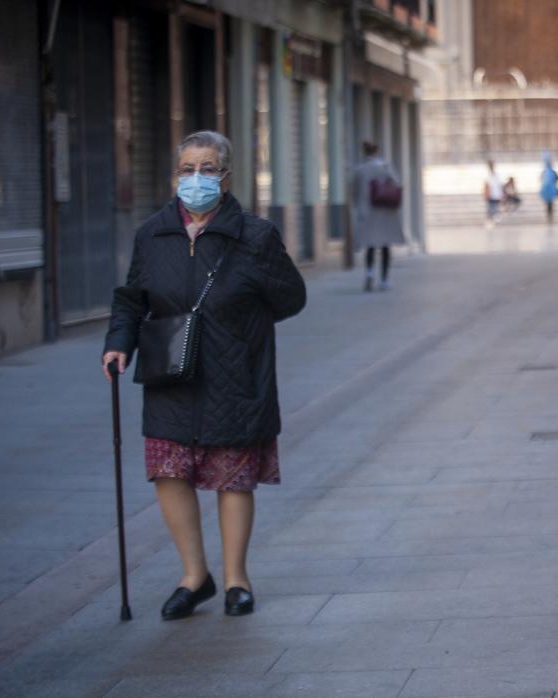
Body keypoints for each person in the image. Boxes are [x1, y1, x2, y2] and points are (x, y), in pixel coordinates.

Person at [101, 130, 306, 621]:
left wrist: (243, 325)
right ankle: (195, 577)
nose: (197, 178)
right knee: (169, 471)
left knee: (232, 477)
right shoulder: (153, 233)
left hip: (235, 370)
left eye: (208, 168)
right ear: (176, 174)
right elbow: (133, 298)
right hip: (170, 370)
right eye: (188, 168)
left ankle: (236, 578)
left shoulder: (254, 236)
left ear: (227, 176)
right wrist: (117, 342)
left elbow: (291, 297)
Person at [352, 141, 406, 291]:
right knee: (385, 246)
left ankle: (369, 273)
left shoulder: (359, 170)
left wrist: (359, 207)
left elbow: (354, 193)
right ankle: (384, 280)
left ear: (364, 152)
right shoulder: (385, 166)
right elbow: (398, 184)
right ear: (376, 151)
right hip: (384, 211)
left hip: (367, 212)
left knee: (370, 245)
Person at [539, 151, 558, 222]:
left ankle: (549, 216)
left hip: (548, 190)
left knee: (549, 203)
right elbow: (557, 179)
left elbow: (541, 179)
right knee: (550, 203)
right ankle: (550, 216)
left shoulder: (546, 172)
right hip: (549, 190)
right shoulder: (550, 172)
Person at [483, 159, 504, 227]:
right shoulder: (488, 175)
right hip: (490, 195)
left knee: (495, 208)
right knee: (490, 209)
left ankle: (493, 221)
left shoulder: (497, 175)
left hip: (496, 194)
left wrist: (501, 194)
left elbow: (500, 185)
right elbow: (486, 185)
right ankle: (490, 221)